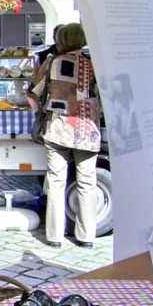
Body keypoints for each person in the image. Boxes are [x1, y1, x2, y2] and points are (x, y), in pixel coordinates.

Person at [31, 23, 101, 248]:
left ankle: (54, 236)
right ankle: (86, 236)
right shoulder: (94, 65)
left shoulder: (53, 63)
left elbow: (34, 92)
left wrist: (40, 111)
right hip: (87, 128)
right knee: (87, 183)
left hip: (59, 127)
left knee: (56, 182)